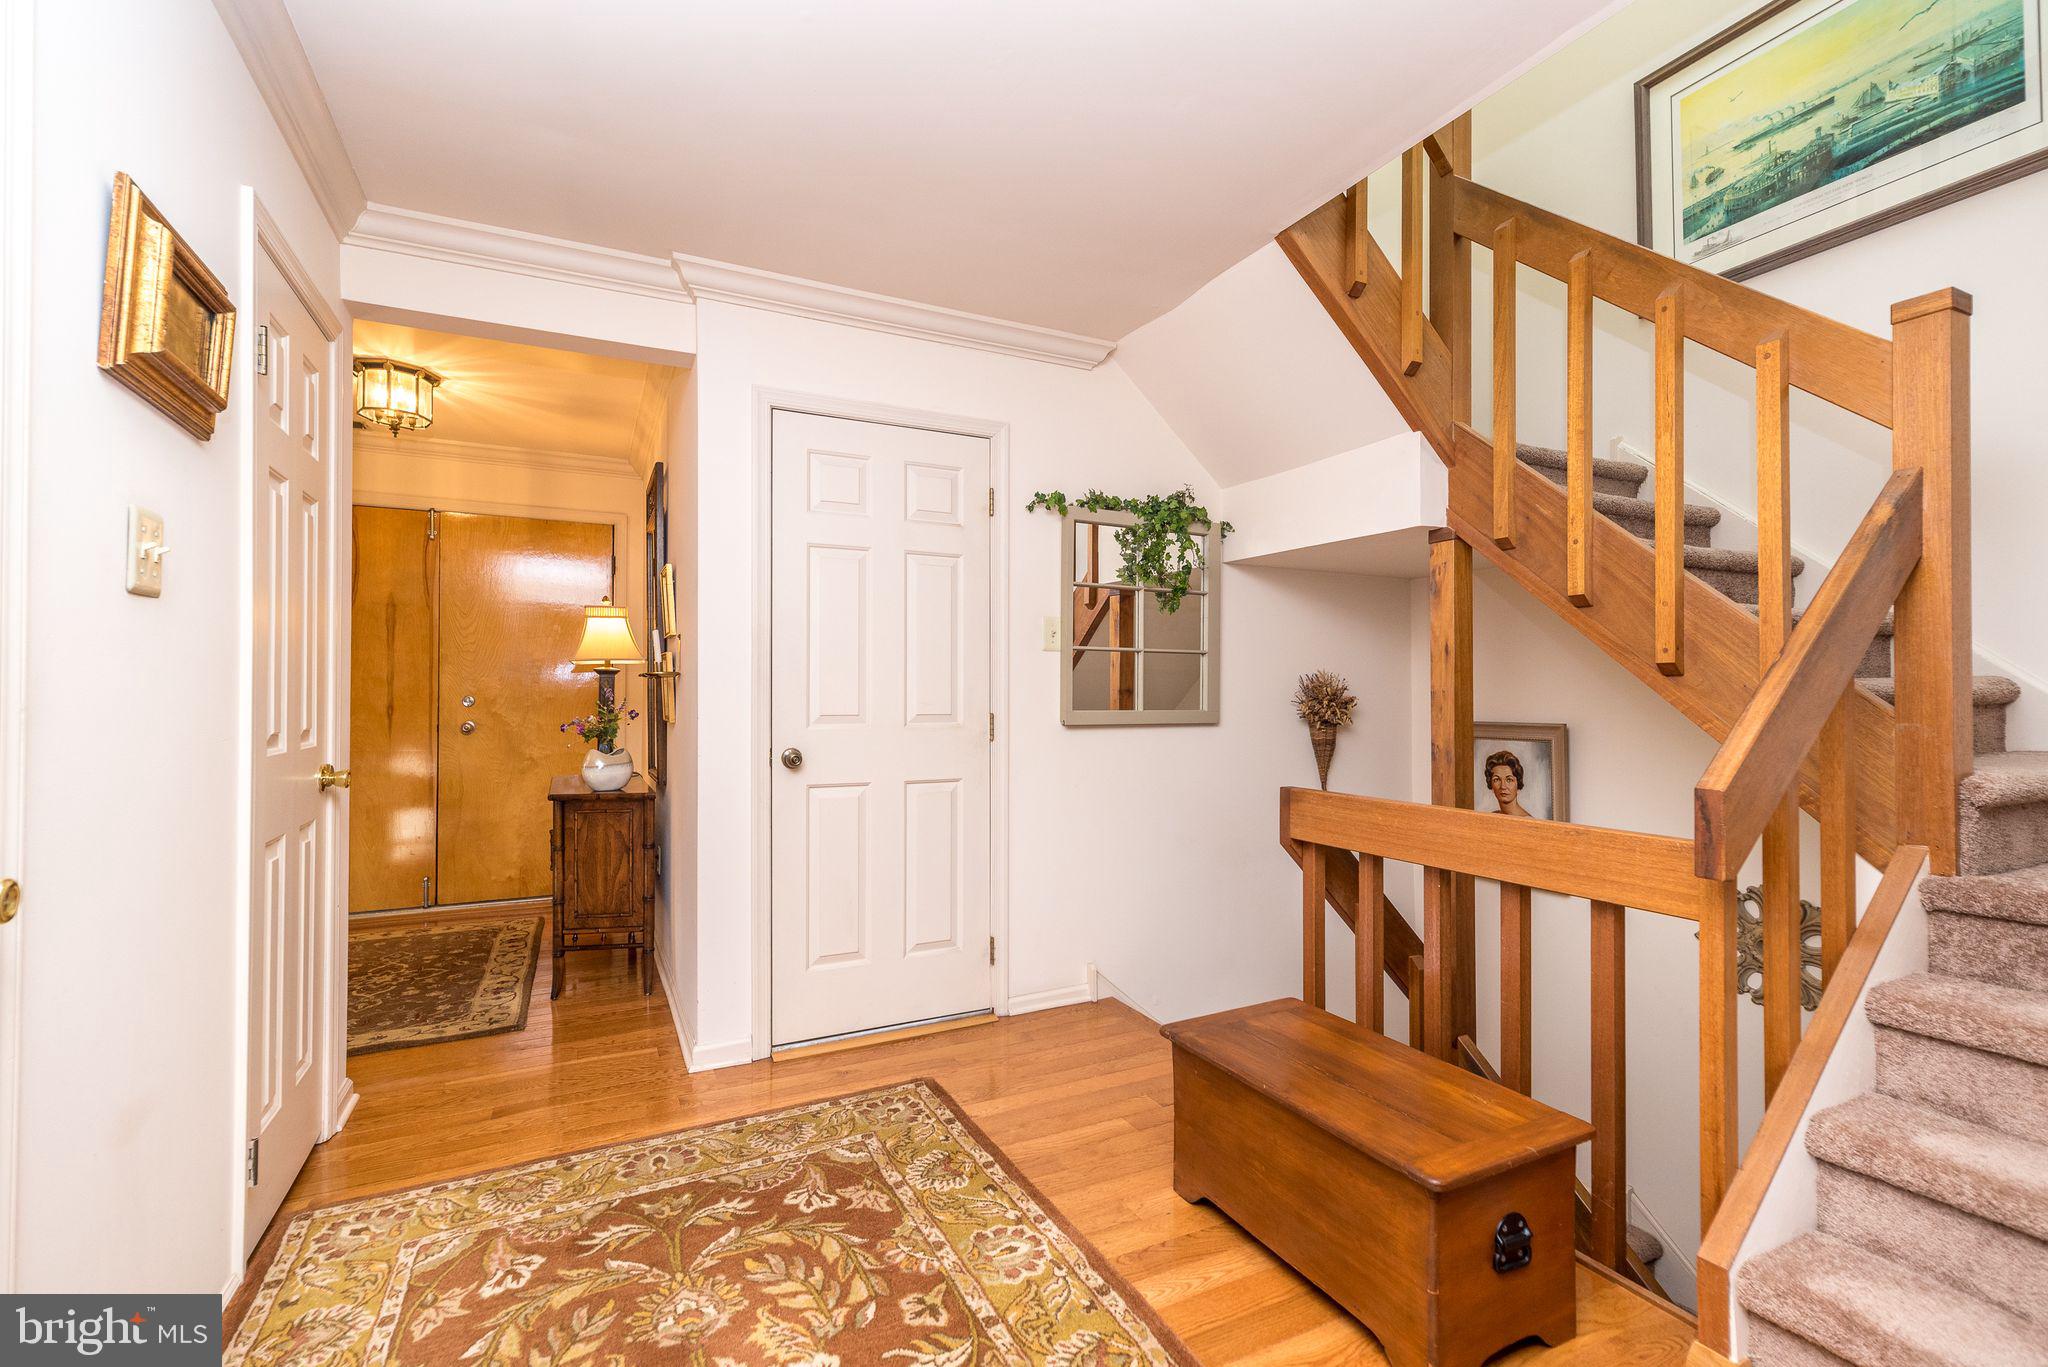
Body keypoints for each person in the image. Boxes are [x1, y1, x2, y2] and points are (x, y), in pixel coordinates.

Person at [1485, 749, 1534, 818]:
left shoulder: (1527, 822)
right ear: (1491, 785)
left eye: (1509, 780)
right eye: (1497, 779)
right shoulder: (1492, 817)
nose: (1503, 786)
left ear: (1518, 784)